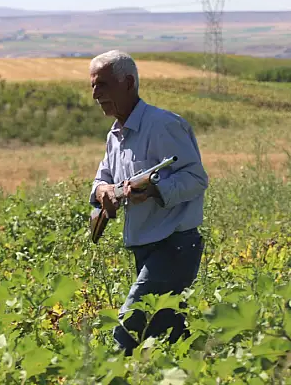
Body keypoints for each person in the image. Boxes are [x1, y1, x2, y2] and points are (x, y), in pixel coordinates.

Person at [88, 50, 209, 356]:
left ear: (128, 83)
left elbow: (196, 179)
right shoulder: (114, 135)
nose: (95, 94)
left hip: (174, 246)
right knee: (168, 335)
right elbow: (100, 181)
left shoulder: (164, 125)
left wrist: (154, 190)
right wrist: (105, 192)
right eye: (92, 86)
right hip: (145, 246)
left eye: (102, 85)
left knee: (127, 331)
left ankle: (110, 374)